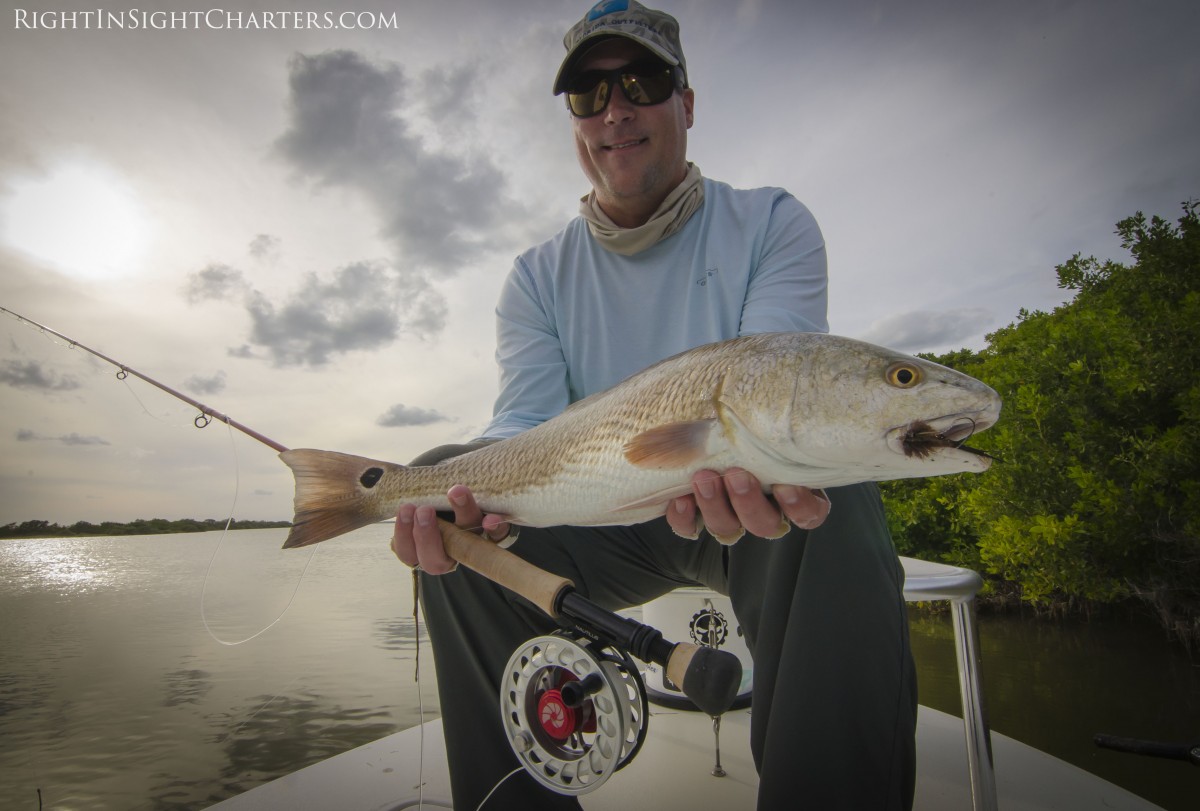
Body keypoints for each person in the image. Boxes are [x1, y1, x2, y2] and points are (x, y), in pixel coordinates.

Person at [392, 2, 917, 808]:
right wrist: (465, 499)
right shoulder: (536, 277)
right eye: (589, 95)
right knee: (442, 494)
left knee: (832, 500)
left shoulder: (770, 222)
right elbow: (518, 426)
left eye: (643, 82)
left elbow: (778, 385)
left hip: (742, 514)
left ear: (688, 104)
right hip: (596, 521)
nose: (616, 110)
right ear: (573, 121)